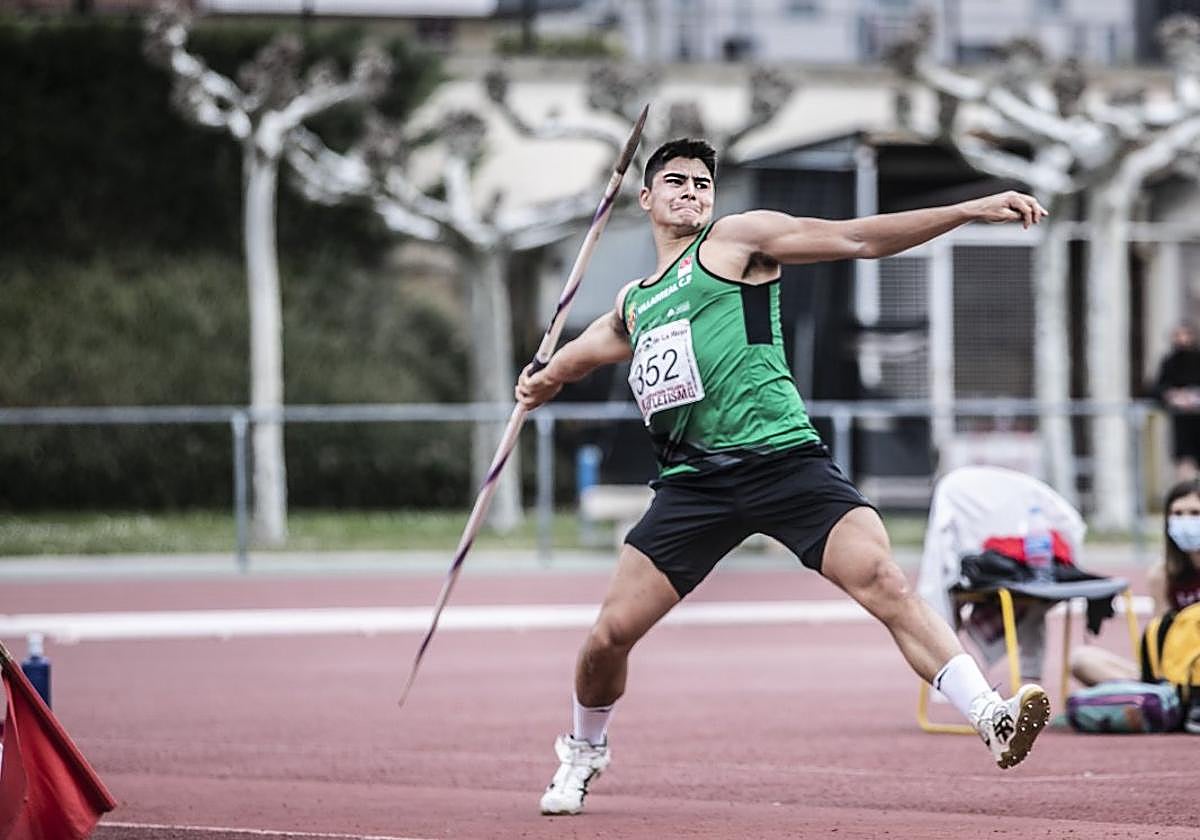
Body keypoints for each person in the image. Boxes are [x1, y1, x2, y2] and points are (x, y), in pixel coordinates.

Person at [516, 138, 1052, 816]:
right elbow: (584, 353)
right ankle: (583, 751)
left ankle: (990, 716)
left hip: (785, 461)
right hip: (695, 484)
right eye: (675, 181)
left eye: (702, 183)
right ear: (646, 198)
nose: (691, 192)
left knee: (885, 580)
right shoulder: (637, 302)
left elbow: (857, 239)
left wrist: (968, 210)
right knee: (608, 638)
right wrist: (543, 380)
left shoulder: (737, 241)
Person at [1070, 478, 1200, 693]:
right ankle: (1161, 694)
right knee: (1081, 659)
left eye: (1195, 513)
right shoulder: (1162, 574)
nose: (1185, 521)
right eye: (1177, 514)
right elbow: (1161, 638)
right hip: (1176, 669)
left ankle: (1159, 696)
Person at [1152, 323, 1200, 482]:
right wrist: (1172, 396)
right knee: (1185, 464)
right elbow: (1157, 388)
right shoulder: (1170, 362)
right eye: (1178, 336)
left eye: (1186, 335)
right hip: (1181, 423)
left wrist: (1193, 397)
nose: (1182, 340)